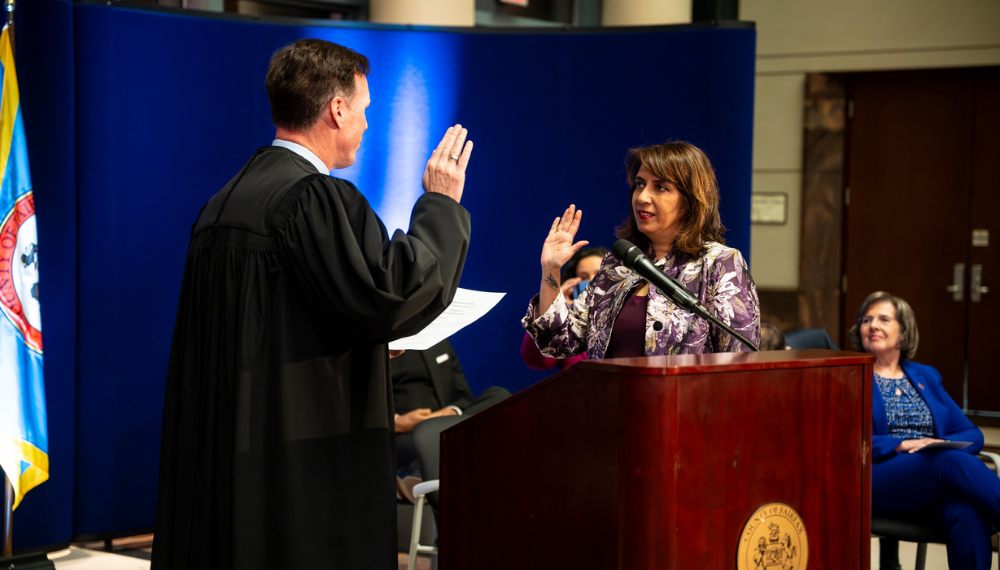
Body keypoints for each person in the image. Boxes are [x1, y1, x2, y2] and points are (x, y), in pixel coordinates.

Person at [152, 39, 473, 570]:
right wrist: (440, 204)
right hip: (295, 462)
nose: (367, 124)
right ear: (337, 108)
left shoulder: (224, 201)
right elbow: (391, 292)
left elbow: (281, 322)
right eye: (365, 109)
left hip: (228, 458)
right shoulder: (313, 198)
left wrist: (360, 344)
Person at [523, 142, 759, 358]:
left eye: (661, 187)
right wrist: (551, 269)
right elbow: (558, 342)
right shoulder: (617, 264)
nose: (642, 197)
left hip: (682, 403)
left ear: (690, 201)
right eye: (639, 184)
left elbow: (738, 361)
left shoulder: (720, 264)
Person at [851, 291, 1000, 569]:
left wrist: (936, 441)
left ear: (904, 333)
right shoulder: (848, 374)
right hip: (876, 478)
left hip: (929, 483)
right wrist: (900, 443)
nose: (872, 325)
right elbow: (842, 442)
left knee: (968, 515)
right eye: (866, 320)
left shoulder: (925, 376)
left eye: (884, 319)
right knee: (947, 460)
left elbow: (971, 434)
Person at [392, 339, 510, 480]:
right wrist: (397, 422)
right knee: (422, 443)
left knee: (499, 395)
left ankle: (436, 460)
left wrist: (452, 411)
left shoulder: (438, 340)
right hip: (405, 434)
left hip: (449, 424)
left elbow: (464, 397)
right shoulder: (380, 348)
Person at [519, 247, 607, 371]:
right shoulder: (568, 322)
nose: (592, 282)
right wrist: (555, 307)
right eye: (583, 277)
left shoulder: (632, 312)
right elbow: (537, 360)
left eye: (599, 274)